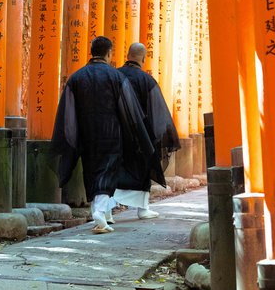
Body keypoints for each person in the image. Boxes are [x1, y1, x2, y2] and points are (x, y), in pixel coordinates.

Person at [51, 36, 155, 234]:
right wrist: (135, 133)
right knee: (107, 173)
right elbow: (128, 108)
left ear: (92, 52)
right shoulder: (115, 77)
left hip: (86, 134)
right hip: (111, 133)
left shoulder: (77, 77)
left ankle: (100, 212)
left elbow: (68, 109)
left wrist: (72, 136)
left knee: (91, 171)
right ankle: (99, 211)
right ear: (109, 53)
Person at [115, 42, 181, 219]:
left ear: (127, 55)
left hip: (117, 133)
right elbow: (157, 109)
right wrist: (162, 134)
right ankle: (143, 209)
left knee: (114, 169)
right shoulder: (146, 80)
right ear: (143, 58)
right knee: (142, 168)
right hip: (140, 135)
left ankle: (107, 210)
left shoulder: (114, 76)